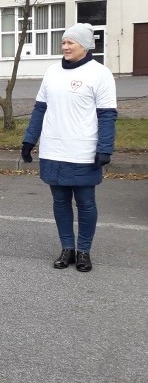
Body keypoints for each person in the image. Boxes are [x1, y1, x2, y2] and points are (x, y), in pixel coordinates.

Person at [21, 23, 117, 273]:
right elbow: (40, 109)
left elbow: (107, 115)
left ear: (84, 45)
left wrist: (105, 148)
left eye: (70, 42)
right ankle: (67, 248)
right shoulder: (52, 72)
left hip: (83, 151)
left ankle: (84, 251)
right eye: (63, 42)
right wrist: (29, 140)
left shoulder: (100, 73)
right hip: (53, 149)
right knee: (60, 202)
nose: (65, 46)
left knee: (85, 203)